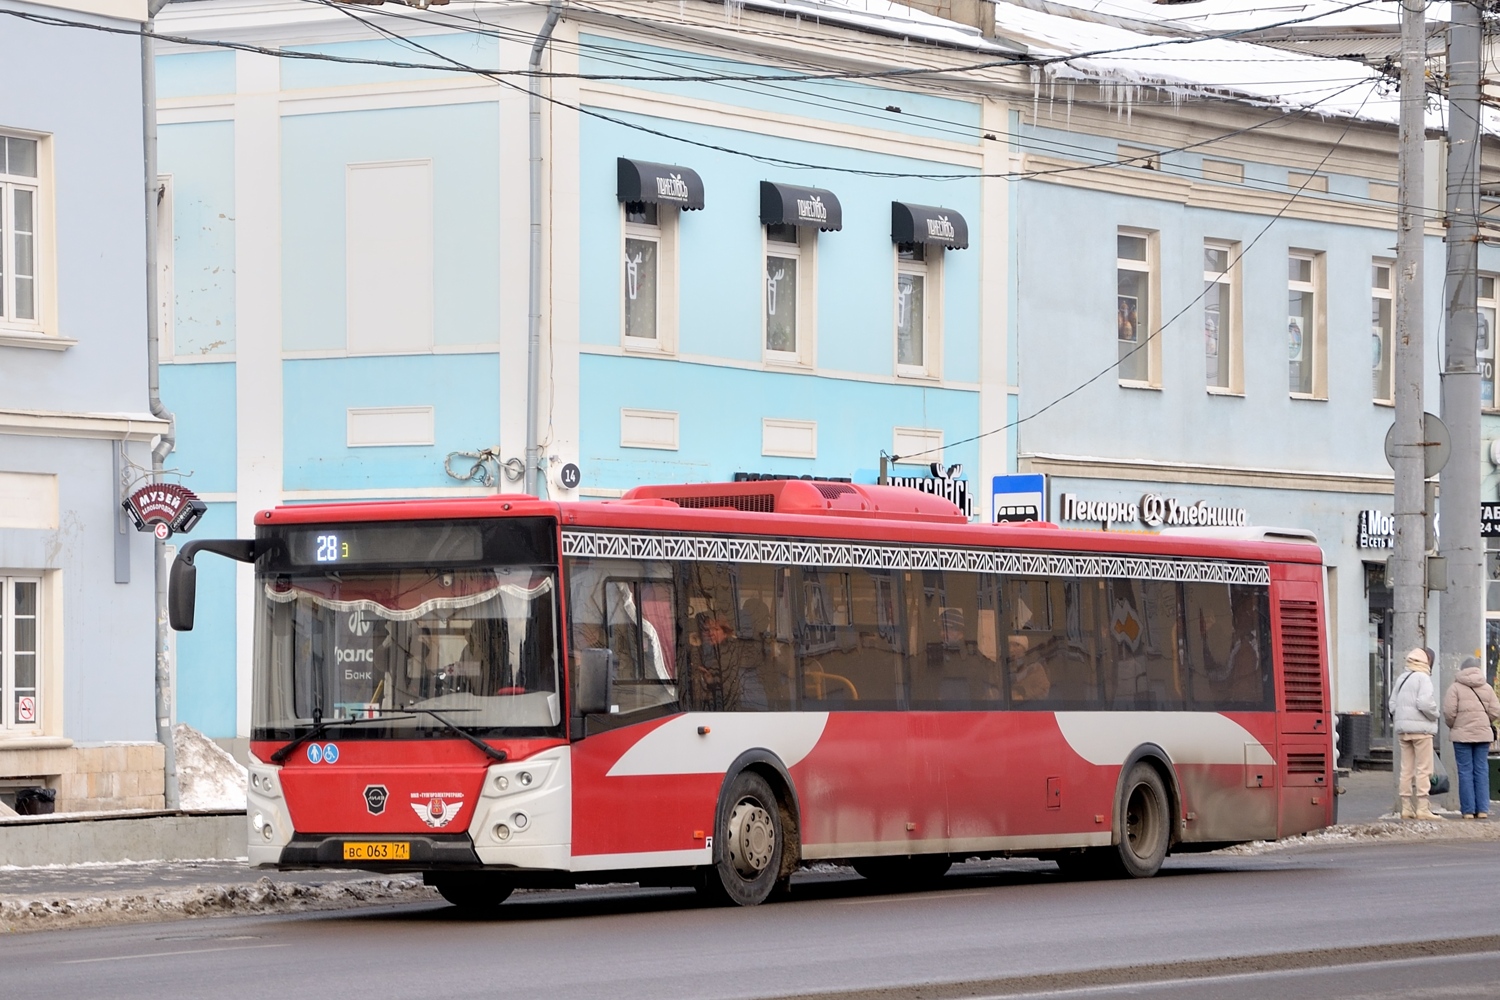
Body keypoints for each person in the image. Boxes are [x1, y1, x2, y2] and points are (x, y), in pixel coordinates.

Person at [1442, 656, 1500, 820]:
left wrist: (1454, 725)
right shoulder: (1487, 687)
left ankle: (1468, 811)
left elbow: (1448, 712)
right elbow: (1496, 711)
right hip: (1483, 735)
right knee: (1481, 770)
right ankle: (1482, 810)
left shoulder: (1455, 688)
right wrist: (1484, 722)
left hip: (1461, 736)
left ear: (1462, 669)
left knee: (1465, 771)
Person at [1389, 647, 1444, 821]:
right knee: (1424, 769)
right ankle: (1422, 807)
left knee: (1406, 769)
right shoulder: (1423, 678)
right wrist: (1435, 714)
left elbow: (1392, 704)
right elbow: (1425, 703)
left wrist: (1402, 717)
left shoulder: (1402, 678)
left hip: (1403, 730)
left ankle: (1406, 807)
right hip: (1422, 730)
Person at [1008, 634, 1051, 703]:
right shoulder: (1004, 671)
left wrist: (1023, 697)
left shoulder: (1035, 668)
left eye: (1016, 645)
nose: (1011, 650)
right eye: (1009, 646)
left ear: (1024, 649)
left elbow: (1044, 689)